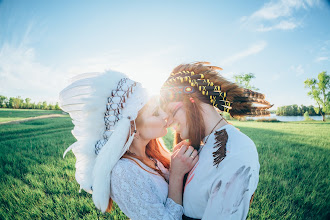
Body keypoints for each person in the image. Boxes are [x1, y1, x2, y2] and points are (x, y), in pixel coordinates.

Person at [59, 70, 198, 220]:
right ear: (133, 129)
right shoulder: (123, 171)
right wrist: (176, 175)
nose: (165, 116)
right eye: (156, 113)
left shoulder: (152, 155)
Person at [160, 62, 272, 220]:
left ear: (192, 99)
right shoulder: (204, 144)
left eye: (172, 112)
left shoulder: (237, 152)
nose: (169, 124)